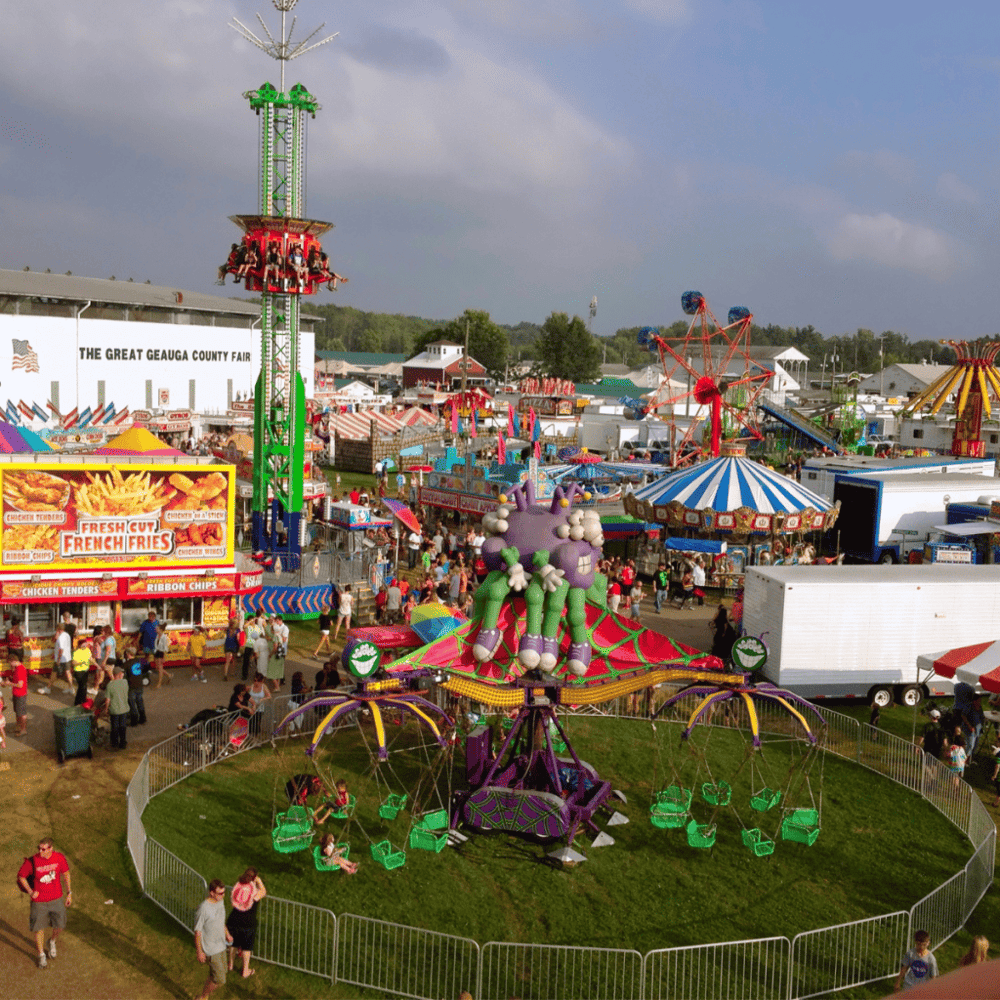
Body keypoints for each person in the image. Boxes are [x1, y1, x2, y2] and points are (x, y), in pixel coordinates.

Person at [19, 837, 72, 968]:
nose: (40, 851)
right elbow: (21, 876)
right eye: (39, 848)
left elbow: (66, 873)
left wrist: (69, 893)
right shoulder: (32, 861)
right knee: (39, 928)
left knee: (60, 925)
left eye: (43, 849)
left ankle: (51, 941)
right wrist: (31, 892)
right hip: (39, 902)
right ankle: (41, 955)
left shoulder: (59, 858)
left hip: (56, 899)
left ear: (50, 848)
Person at [194, 879, 233, 999]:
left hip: (221, 944)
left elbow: (221, 921)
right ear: (211, 893)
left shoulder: (220, 902)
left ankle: (204, 997)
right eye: (220, 893)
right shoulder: (203, 909)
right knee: (220, 979)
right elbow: (197, 932)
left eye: (224, 892)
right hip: (211, 949)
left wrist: (227, 934)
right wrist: (199, 951)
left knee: (218, 974)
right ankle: (202, 997)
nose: (223, 895)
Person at [226, 868, 266, 979]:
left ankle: (230, 965)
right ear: (255, 878)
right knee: (246, 947)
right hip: (248, 923)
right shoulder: (254, 892)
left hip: (234, 919)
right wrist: (259, 881)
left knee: (233, 944)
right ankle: (245, 971)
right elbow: (263, 891)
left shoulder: (238, 887)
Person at [3, 654, 29, 735]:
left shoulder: (20, 669)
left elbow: (20, 685)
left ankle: (23, 729)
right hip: (17, 693)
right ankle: (18, 727)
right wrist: (9, 681)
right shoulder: (17, 668)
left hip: (20, 694)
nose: (10, 665)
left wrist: (9, 683)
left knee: (22, 713)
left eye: (10, 663)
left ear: (13, 661)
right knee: (18, 712)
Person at [106, 666, 129, 750]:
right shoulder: (125, 682)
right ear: (118, 674)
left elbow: (107, 700)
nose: (123, 674)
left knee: (114, 727)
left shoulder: (110, 685)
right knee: (123, 726)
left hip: (114, 710)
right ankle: (123, 743)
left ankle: (114, 744)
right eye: (122, 673)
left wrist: (106, 709)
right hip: (124, 708)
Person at [71, 636, 96, 706]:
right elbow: (73, 663)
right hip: (78, 672)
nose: (85, 645)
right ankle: (77, 702)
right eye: (83, 644)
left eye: (85, 644)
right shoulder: (76, 652)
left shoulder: (87, 650)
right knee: (82, 686)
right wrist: (81, 662)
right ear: (79, 645)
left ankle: (83, 700)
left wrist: (97, 665)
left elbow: (90, 658)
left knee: (84, 686)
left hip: (86, 670)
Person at [125, 654, 147, 727]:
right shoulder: (139, 660)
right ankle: (143, 718)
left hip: (132, 686)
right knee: (140, 701)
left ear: (128, 654)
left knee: (132, 704)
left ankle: (134, 721)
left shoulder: (127, 664)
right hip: (139, 684)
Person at [54, 622, 73, 693]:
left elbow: (61, 649)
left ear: (58, 629)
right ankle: (71, 687)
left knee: (54, 673)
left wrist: (58, 659)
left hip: (61, 659)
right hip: (67, 657)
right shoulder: (67, 635)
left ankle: (48, 687)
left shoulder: (61, 637)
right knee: (68, 672)